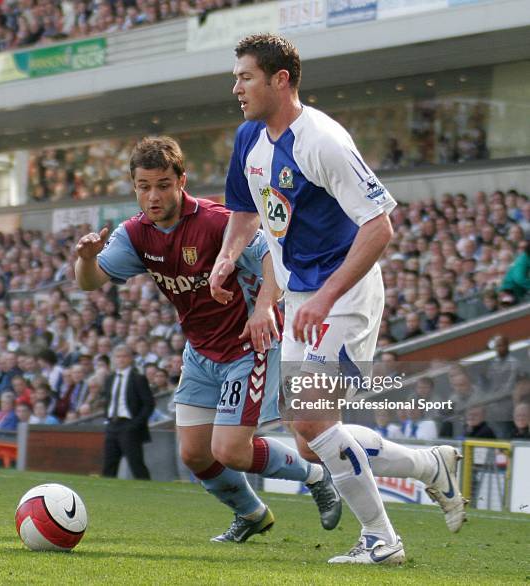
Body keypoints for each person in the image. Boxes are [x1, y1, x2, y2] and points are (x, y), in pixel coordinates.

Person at [210, 33, 466, 564]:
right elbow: (244, 209)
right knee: (310, 441)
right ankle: (431, 466)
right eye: (236, 76)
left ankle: (382, 539)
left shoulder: (322, 140)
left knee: (311, 420)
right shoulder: (248, 139)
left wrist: (326, 298)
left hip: (343, 293)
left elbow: (380, 227)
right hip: (303, 296)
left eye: (245, 76)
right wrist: (227, 256)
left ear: (281, 80)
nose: (236, 87)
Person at [75, 136, 341, 542]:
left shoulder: (217, 221)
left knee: (231, 450)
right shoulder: (135, 234)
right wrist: (86, 259)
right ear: (134, 187)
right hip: (199, 352)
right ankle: (252, 514)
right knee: (194, 453)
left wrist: (264, 306)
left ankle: (317, 475)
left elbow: (273, 255)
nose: (153, 195)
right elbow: (90, 283)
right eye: (144, 186)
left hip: (248, 347)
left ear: (182, 179)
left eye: (163, 184)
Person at [100, 345, 154, 479]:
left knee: (136, 464)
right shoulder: (110, 378)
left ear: (130, 359)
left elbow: (149, 404)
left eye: (124, 356)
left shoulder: (138, 378)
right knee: (109, 465)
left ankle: (148, 491)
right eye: (118, 357)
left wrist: (135, 424)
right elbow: (108, 400)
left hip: (129, 425)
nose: (121, 360)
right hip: (112, 425)